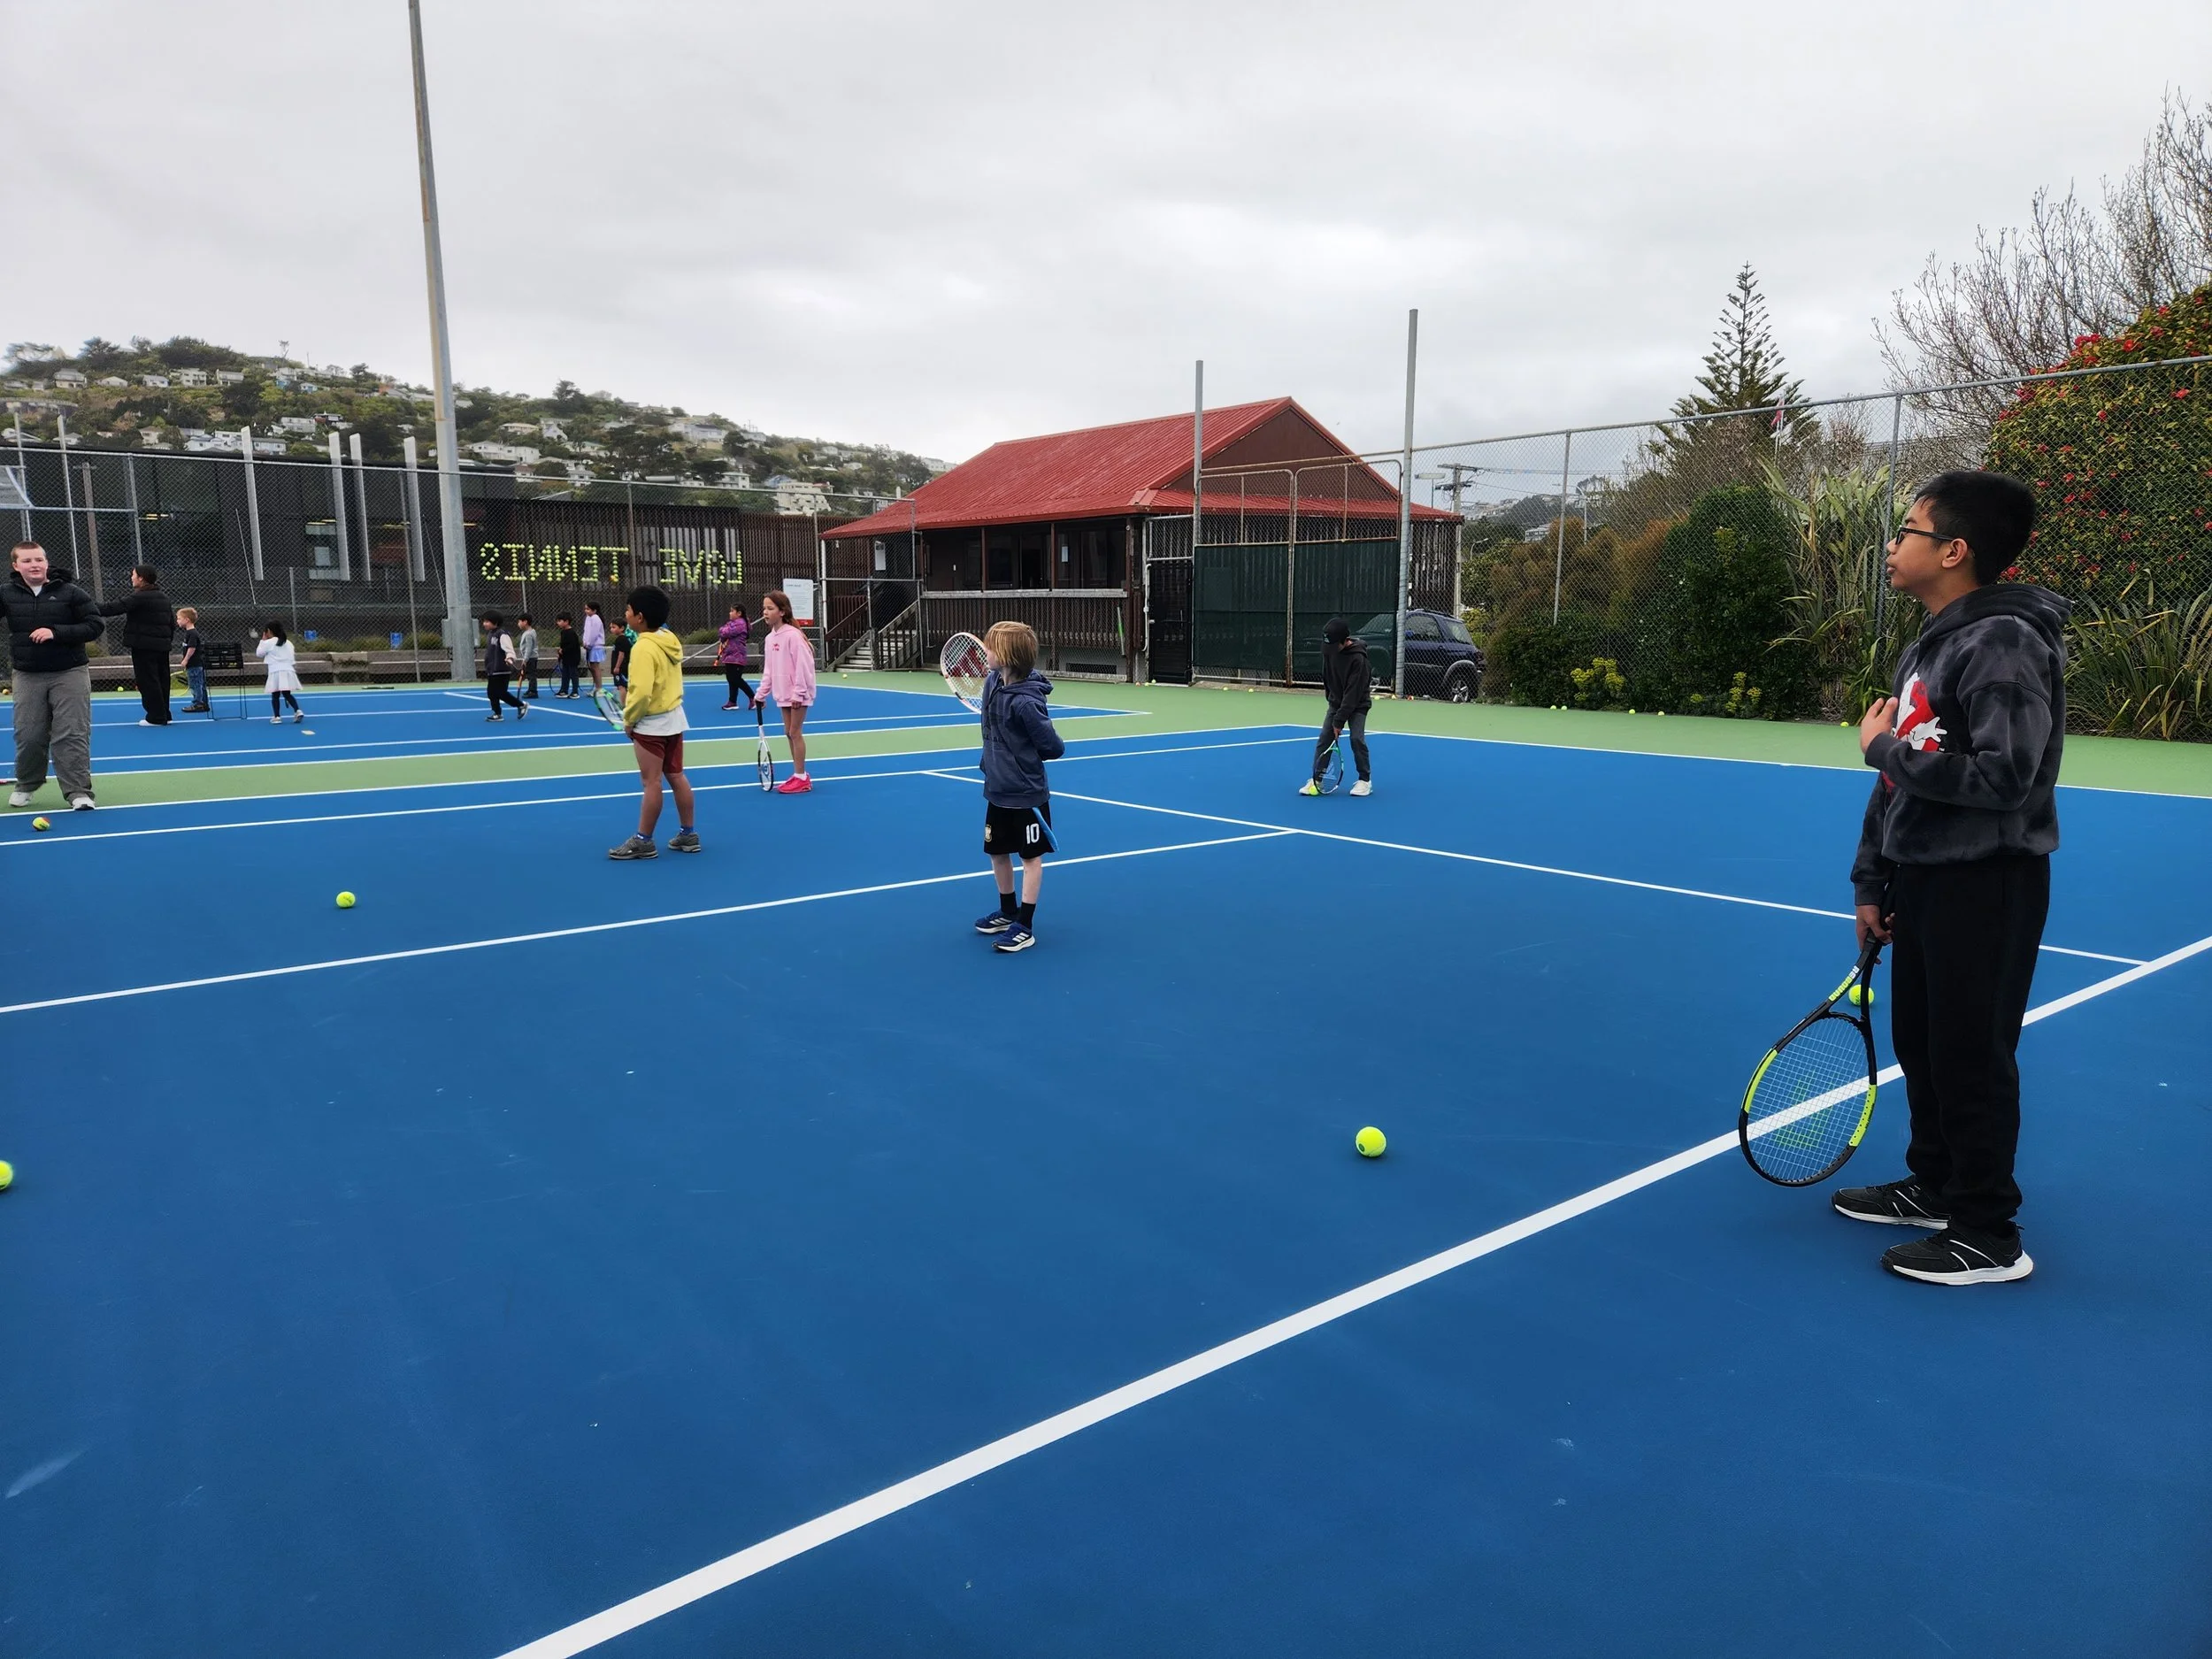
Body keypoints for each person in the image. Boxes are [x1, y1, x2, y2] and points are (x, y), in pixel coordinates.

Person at [1836, 471, 2063, 1288]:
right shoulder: (1931, 640)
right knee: (1923, 1047)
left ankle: (1987, 1232)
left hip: (1988, 881)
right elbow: (1900, 780)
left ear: (1954, 550)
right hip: (1924, 875)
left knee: (1970, 1054)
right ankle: (1935, 1185)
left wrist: (1882, 748)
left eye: (1907, 531)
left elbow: (2006, 777)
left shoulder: (2003, 641)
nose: (1893, 545)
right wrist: (1873, 878)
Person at [972, 620, 1064, 954]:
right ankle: (1007, 909)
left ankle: (1024, 924)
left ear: (1007, 656)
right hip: (997, 788)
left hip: (1026, 794)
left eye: (991, 647)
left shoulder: (1027, 702)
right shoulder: (992, 683)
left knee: (1030, 858)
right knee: (997, 851)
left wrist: (1020, 755)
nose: (986, 652)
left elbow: (1052, 747)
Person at [2, 541, 103, 810]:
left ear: (46, 562)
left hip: (69, 671)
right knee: (29, 734)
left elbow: (95, 625)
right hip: (27, 674)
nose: (34, 565)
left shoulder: (71, 593)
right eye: (27, 561)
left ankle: (78, 792)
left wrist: (55, 632)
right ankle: (26, 784)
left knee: (71, 732)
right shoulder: (6, 594)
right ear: (16, 566)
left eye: (38, 559)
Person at [607, 584, 699, 860]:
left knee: (651, 782)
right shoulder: (669, 638)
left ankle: (643, 840)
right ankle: (688, 834)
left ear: (640, 617)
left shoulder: (643, 648)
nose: (626, 613)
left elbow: (642, 691)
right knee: (677, 776)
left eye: (628, 610)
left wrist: (629, 720)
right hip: (674, 718)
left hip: (651, 724)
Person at [1301, 616, 1372, 797]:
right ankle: (1317, 780)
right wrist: (1331, 700)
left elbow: (1352, 694)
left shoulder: (1359, 660)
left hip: (1357, 704)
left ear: (1345, 641)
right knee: (1325, 738)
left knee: (1357, 739)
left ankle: (1365, 780)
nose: (1329, 651)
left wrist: (1339, 721)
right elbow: (1327, 675)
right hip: (1336, 702)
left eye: (1333, 646)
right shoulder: (1329, 650)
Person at [100, 564, 177, 727]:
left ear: (141, 578)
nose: (131, 577)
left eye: (133, 574)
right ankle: (165, 713)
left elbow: (112, 608)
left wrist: (83, 605)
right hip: (162, 646)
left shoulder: (140, 597)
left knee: (148, 680)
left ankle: (156, 717)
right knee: (162, 680)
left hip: (144, 646)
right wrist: (166, 640)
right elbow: (171, 623)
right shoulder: (163, 597)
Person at [759, 589, 818, 793]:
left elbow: (804, 666)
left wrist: (799, 693)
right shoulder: (770, 638)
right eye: (764, 608)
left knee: (795, 732)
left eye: (770, 608)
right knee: (788, 732)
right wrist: (761, 694)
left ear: (782, 611)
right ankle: (797, 774)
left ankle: (802, 777)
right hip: (783, 693)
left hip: (798, 693)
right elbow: (769, 669)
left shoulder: (794, 636)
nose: (765, 612)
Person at [479, 612, 528, 721]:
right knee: (491, 692)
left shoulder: (502, 635)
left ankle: (520, 705)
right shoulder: (491, 634)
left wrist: (509, 658)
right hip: (492, 669)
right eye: (484, 621)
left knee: (500, 692)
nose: (484, 624)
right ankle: (497, 713)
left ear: (495, 623)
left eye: (487, 621)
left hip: (501, 669)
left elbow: (509, 650)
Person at [257, 621, 304, 723]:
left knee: (275, 695)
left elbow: (259, 653)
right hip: (288, 670)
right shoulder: (289, 643)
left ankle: (277, 717)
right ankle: (297, 710)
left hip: (276, 671)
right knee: (287, 694)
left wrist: (262, 640)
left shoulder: (269, 642)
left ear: (268, 631)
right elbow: (291, 657)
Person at [716, 603, 754, 710]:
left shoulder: (740, 624)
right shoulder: (732, 623)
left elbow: (725, 632)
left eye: (732, 611)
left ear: (739, 613)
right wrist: (723, 632)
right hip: (729, 655)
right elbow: (722, 631)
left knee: (736, 679)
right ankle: (732, 701)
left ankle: (753, 698)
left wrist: (723, 631)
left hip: (737, 656)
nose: (730, 613)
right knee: (731, 679)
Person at [177, 605, 208, 713]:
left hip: (194, 664)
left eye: (179, 618)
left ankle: (198, 704)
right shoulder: (189, 633)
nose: (178, 621)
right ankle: (203, 703)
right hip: (194, 664)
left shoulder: (192, 633)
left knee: (195, 684)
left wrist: (185, 660)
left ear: (187, 620)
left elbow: (192, 648)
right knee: (198, 683)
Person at [554, 611, 582, 699]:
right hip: (566, 658)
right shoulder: (563, 632)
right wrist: (560, 653)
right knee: (565, 674)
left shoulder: (572, 633)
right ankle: (564, 690)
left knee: (573, 674)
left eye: (560, 621)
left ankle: (575, 692)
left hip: (573, 658)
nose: (558, 623)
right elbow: (563, 645)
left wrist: (563, 650)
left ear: (566, 622)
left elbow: (573, 646)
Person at [581, 601, 608, 693]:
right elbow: (586, 631)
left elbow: (594, 634)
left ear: (595, 610)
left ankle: (599, 688)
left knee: (595, 667)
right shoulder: (588, 618)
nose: (586, 611)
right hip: (590, 646)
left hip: (596, 647)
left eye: (588, 609)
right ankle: (596, 688)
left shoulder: (596, 618)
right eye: (585, 609)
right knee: (592, 667)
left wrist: (589, 644)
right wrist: (584, 642)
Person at [516, 613, 540, 700]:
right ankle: (530, 689)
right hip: (530, 657)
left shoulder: (529, 634)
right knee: (529, 674)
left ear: (525, 622)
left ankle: (533, 691)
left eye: (519, 622)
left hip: (530, 658)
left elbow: (529, 648)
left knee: (531, 675)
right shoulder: (530, 632)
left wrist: (525, 659)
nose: (518, 624)